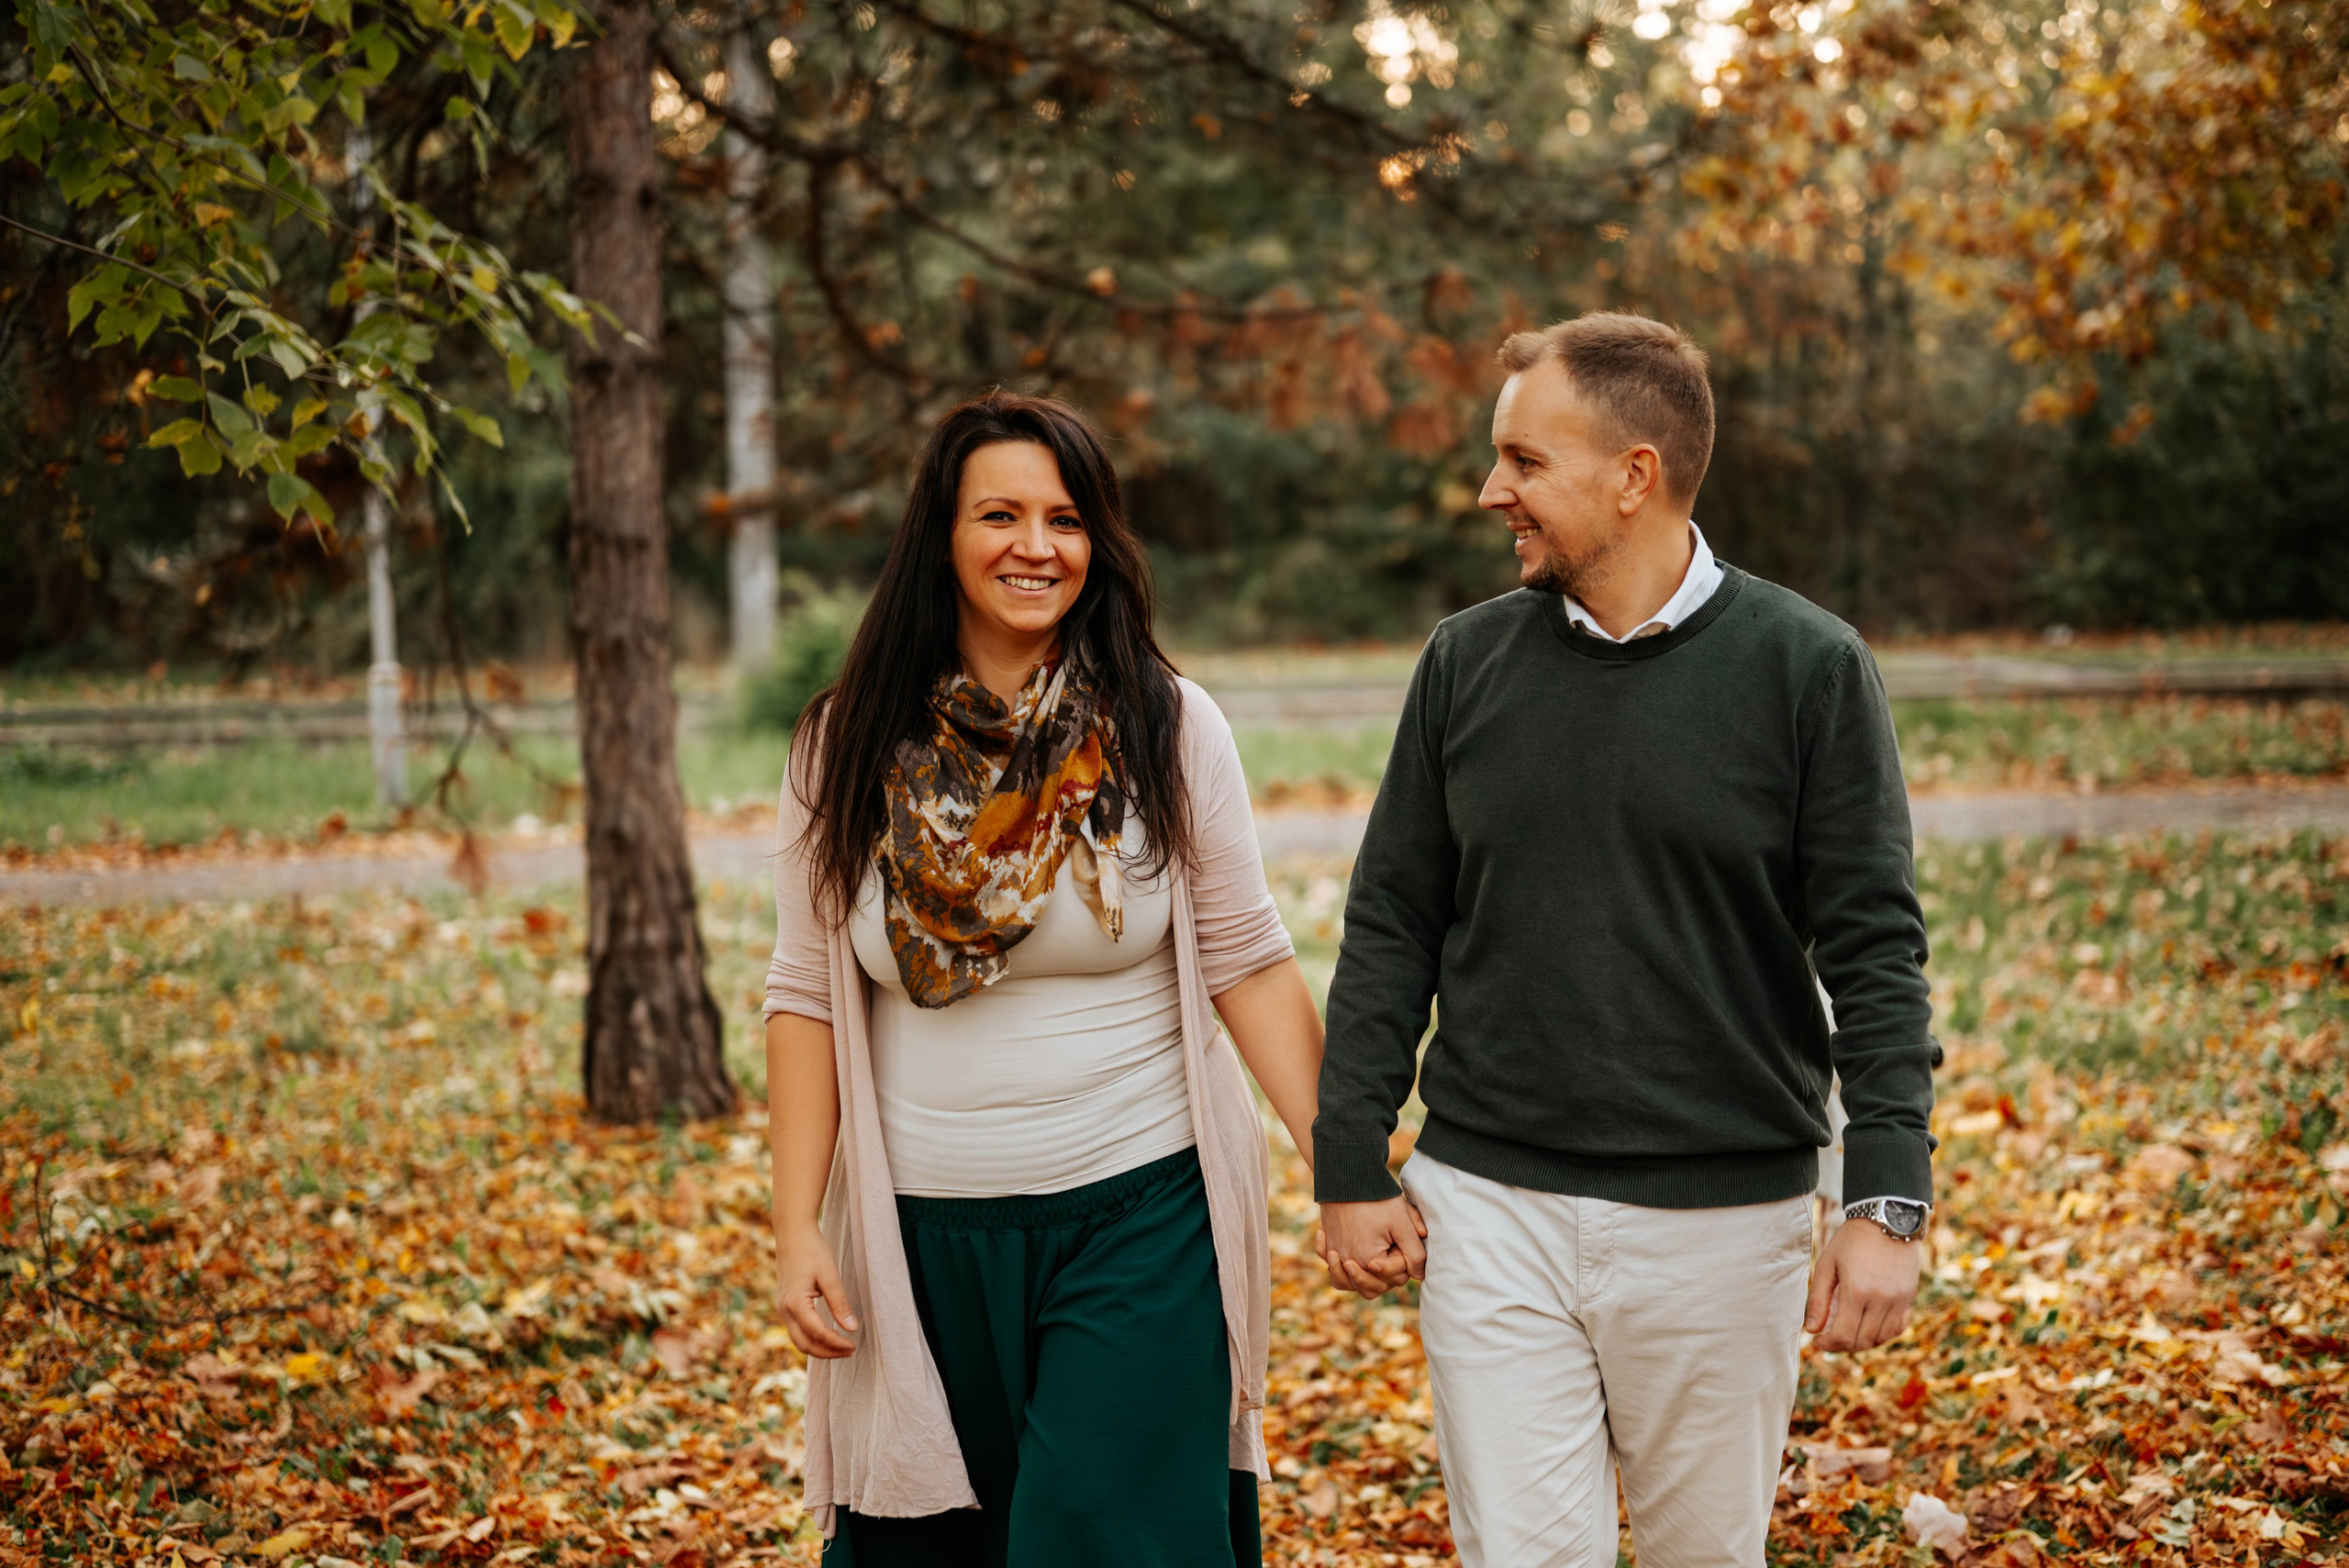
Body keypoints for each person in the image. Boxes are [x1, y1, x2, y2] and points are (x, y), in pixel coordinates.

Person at [1313, 312, 1939, 1567]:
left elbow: (1874, 951)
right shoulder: (1464, 663)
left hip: (1723, 1221)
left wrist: (1886, 1193)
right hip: (1490, 1213)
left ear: (1634, 474)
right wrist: (1349, 1154)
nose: (1494, 489)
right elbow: (1392, 921)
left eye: (1525, 461)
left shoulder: (1808, 669)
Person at [762, 390, 1326, 1566]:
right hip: (920, 1240)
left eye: (1065, 518)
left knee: (1104, 1536)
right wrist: (796, 1223)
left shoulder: (1167, 726)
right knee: (938, 1544)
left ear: (1098, 542)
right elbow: (806, 992)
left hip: (1139, 1210)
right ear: (943, 536)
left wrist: (1344, 1160)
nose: (1036, 545)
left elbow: (1248, 957)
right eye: (1001, 514)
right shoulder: (843, 741)